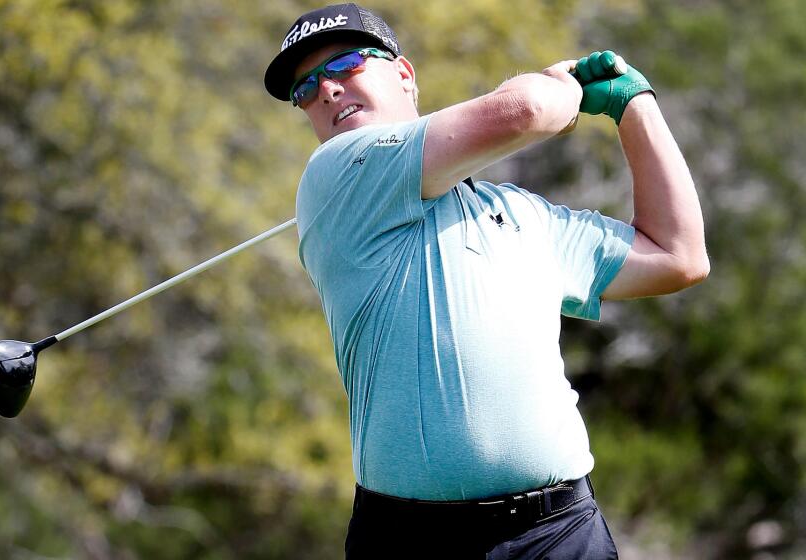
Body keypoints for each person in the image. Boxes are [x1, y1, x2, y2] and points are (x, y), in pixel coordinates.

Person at [264, 4, 709, 559]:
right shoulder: (334, 176)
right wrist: (558, 85)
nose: (326, 90)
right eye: (305, 88)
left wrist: (635, 106)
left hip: (557, 533)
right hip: (407, 539)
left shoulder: (522, 212)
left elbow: (677, 255)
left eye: (347, 63)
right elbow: (525, 111)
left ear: (404, 74)